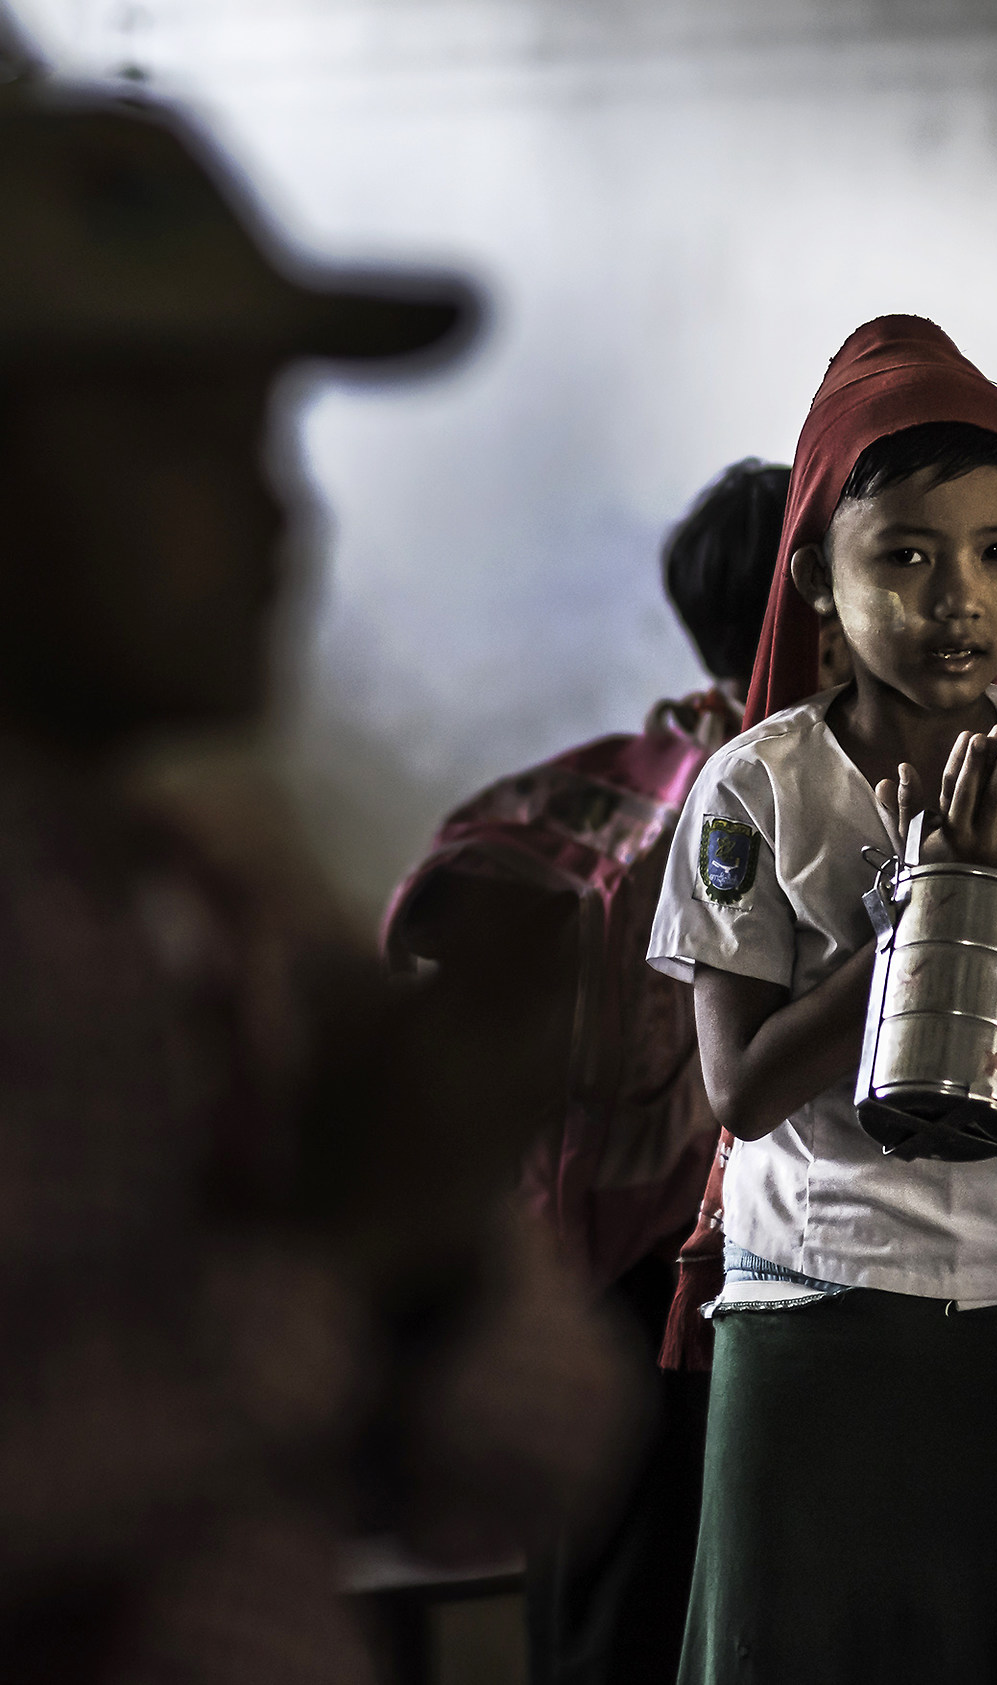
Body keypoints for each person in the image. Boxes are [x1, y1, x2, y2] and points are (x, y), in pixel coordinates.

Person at [0, 74, 634, 1683]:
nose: (281, 510)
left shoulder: (203, 904)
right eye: (167, 440)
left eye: (266, 430)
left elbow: (528, 1456)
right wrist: (347, 1258)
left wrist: (433, 1232)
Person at [647, 315, 997, 1685]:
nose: (960, 596)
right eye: (905, 557)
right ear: (817, 578)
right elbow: (742, 1088)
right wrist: (929, 900)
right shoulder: (759, 787)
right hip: (815, 1300)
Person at [383, 457, 797, 1685]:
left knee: (635, 1595)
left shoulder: (652, 774)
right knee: (637, 1599)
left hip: (651, 1254)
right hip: (661, 1265)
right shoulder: (730, 793)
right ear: (810, 613)